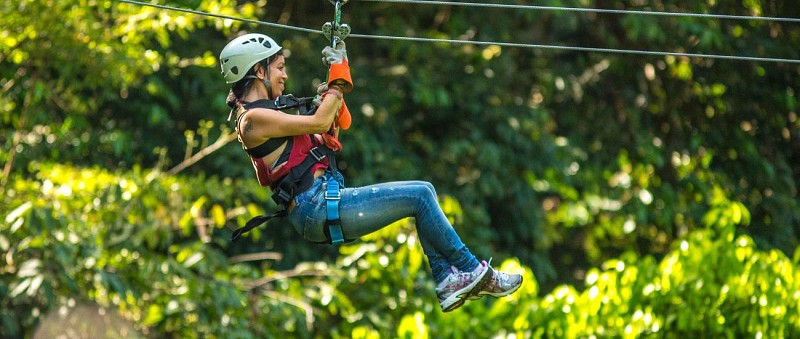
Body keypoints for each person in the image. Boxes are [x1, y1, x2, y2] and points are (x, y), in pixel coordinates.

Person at [219, 33, 522, 312]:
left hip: (321, 202)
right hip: (316, 206)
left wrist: (334, 91)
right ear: (259, 71)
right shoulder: (253, 120)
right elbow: (319, 123)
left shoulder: (272, 113)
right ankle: (473, 271)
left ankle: (447, 279)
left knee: (422, 194)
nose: (285, 75)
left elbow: (332, 127)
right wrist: (338, 79)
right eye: (279, 67)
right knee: (420, 194)